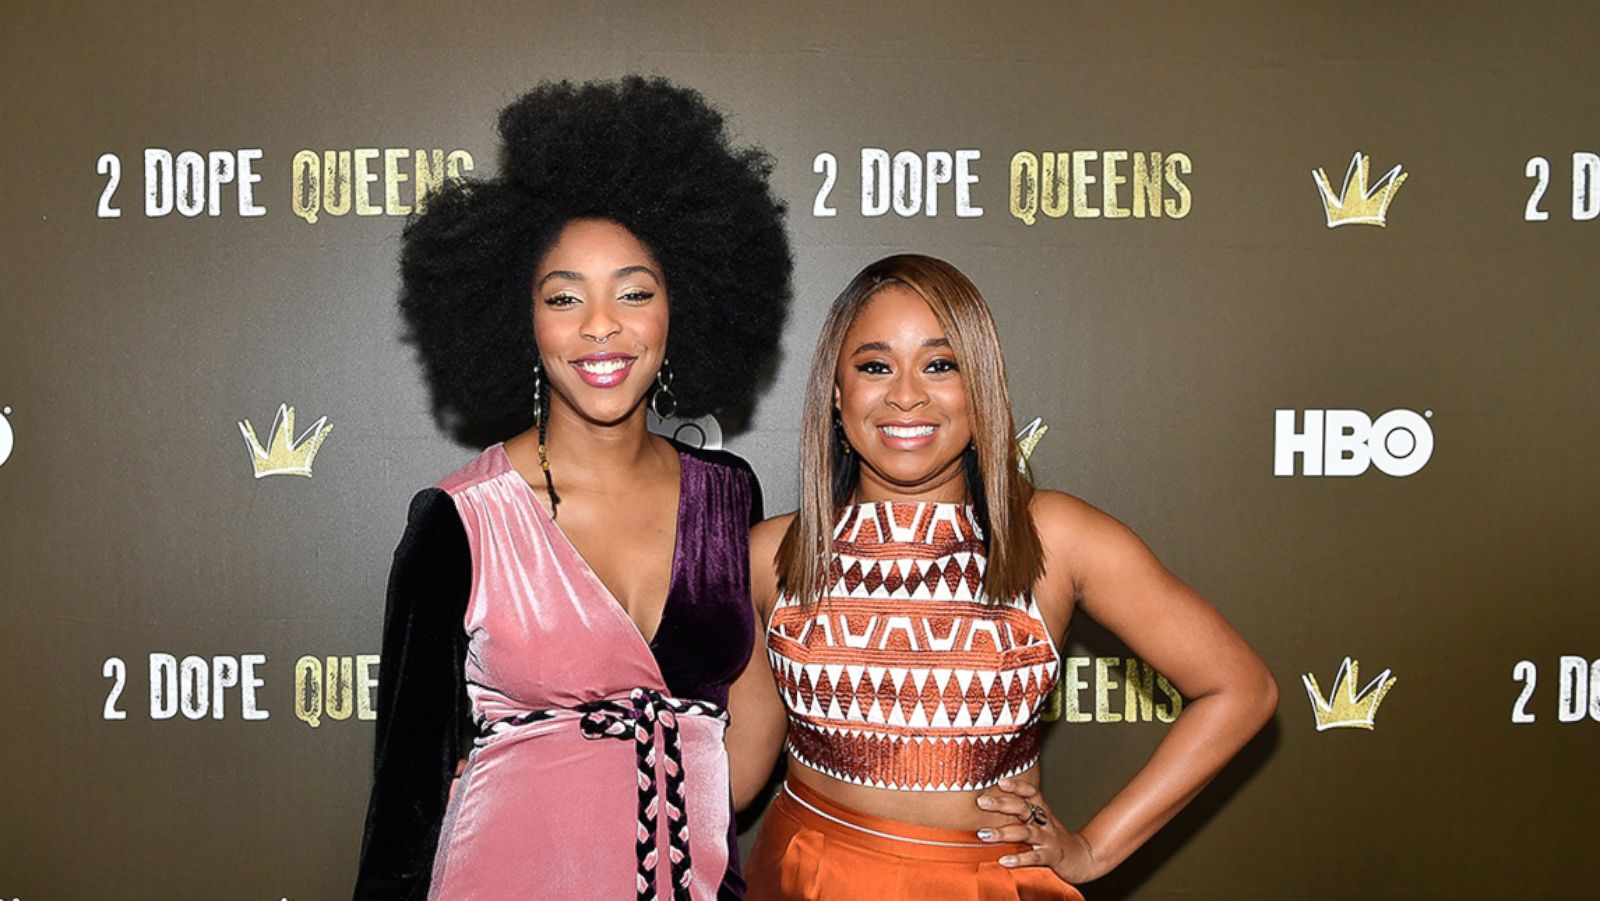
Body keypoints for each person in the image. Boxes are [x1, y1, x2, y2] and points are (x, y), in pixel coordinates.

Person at [353, 77, 791, 900]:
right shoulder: (460, 522)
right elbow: (403, 811)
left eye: (635, 291)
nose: (601, 325)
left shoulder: (730, 496)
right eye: (565, 297)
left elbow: (742, 721)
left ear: (682, 309)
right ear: (521, 320)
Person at [727, 254, 1277, 900]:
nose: (906, 393)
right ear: (836, 392)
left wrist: (1095, 848)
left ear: (980, 386)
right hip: (804, 876)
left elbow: (1239, 688)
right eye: (875, 365)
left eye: (941, 364)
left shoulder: (1053, 537)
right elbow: (741, 762)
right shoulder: (771, 553)